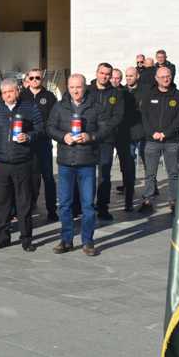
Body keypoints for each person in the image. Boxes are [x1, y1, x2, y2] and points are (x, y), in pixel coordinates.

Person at [47, 74, 109, 256]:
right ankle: (66, 240)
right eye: (72, 87)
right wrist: (62, 136)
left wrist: (91, 137)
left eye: (79, 87)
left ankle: (88, 242)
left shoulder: (95, 107)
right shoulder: (59, 106)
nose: (75, 90)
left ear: (85, 87)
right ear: (68, 87)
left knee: (88, 205)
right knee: (65, 204)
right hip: (66, 162)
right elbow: (50, 127)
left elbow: (105, 129)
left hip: (87, 162)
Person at [0, 80, 42, 251]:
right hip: (0, 164)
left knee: (24, 203)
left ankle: (26, 238)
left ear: (18, 91)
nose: (8, 95)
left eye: (11, 91)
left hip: (23, 162)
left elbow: (40, 129)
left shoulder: (29, 107)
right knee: (2, 203)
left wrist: (28, 136)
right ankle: (2, 237)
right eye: (4, 92)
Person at [140, 67, 179, 213]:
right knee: (150, 173)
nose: (166, 79)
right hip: (152, 140)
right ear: (156, 78)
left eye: (168, 76)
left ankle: (174, 201)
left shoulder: (178, 96)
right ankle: (147, 200)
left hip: (171, 140)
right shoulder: (148, 95)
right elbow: (144, 117)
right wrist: (152, 133)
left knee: (173, 173)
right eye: (163, 77)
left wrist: (165, 133)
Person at [85, 63, 123, 221]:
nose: (104, 76)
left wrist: (103, 132)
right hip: (87, 139)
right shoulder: (87, 91)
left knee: (104, 174)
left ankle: (102, 206)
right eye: (102, 73)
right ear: (97, 72)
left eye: (108, 74)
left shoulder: (116, 93)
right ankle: (83, 205)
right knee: (85, 174)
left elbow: (117, 117)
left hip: (106, 140)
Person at [20, 68, 58, 221]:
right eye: (32, 78)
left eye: (38, 78)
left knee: (48, 177)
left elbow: (53, 119)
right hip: (26, 144)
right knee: (29, 179)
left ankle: (52, 210)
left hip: (43, 143)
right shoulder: (22, 96)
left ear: (42, 79)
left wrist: (45, 132)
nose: (35, 80)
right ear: (27, 80)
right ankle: (28, 208)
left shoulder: (49, 97)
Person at [115, 67, 146, 211]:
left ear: (137, 76)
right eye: (126, 76)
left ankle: (145, 193)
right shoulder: (121, 92)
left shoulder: (144, 91)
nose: (128, 78)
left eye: (131, 76)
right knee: (127, 165)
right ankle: (128, 192)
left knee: (142, 163)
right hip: (124, 134)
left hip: (139, 132)